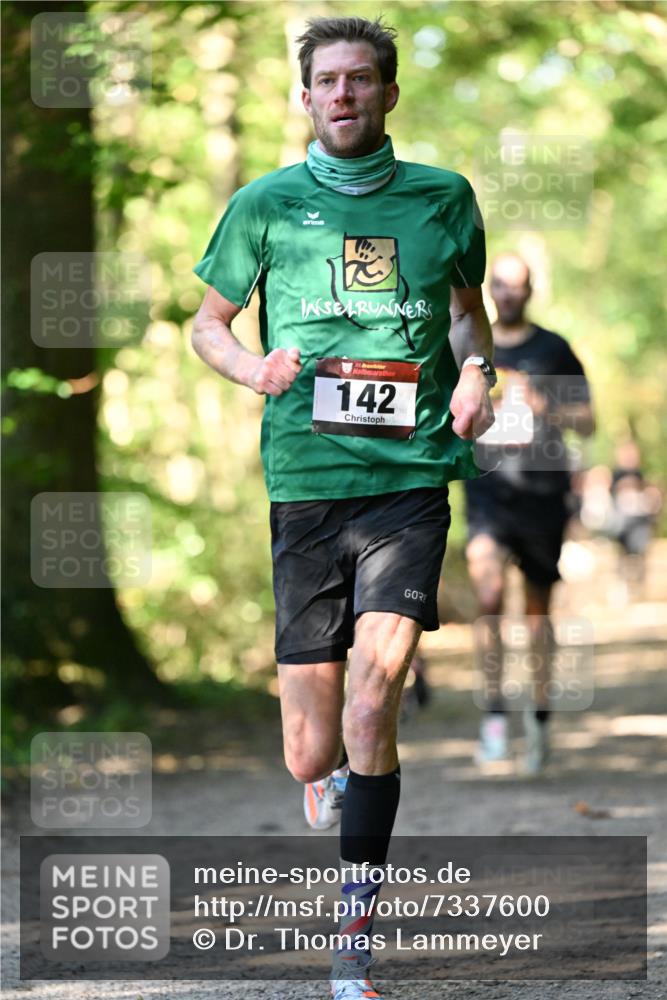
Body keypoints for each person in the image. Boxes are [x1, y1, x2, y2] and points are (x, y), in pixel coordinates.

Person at [191, 16, 494, 997]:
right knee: (309, 745)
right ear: (306, 96)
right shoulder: (265, 205)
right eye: (327, 81)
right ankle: (329, 776)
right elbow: (207, 326)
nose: (345, 95)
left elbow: (462, 310)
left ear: (388, 94)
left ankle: (351, 948)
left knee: (373, 706)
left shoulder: (443, 197)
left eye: (363, 80)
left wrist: (476, 372)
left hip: (408, 481)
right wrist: (252, 366)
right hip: (305, 487)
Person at [465, 252, 595, 775]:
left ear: (530, 291)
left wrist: (546, 406)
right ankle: (495, 718)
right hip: (488, 492)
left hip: (543, 494)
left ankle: (538, 719)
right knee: (489, 592)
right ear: (489, 289)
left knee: (536, 614)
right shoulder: (475, 346)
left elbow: (588, 421)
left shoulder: (553, 348)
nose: (507, 293)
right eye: (499, 284)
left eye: (517, 286)